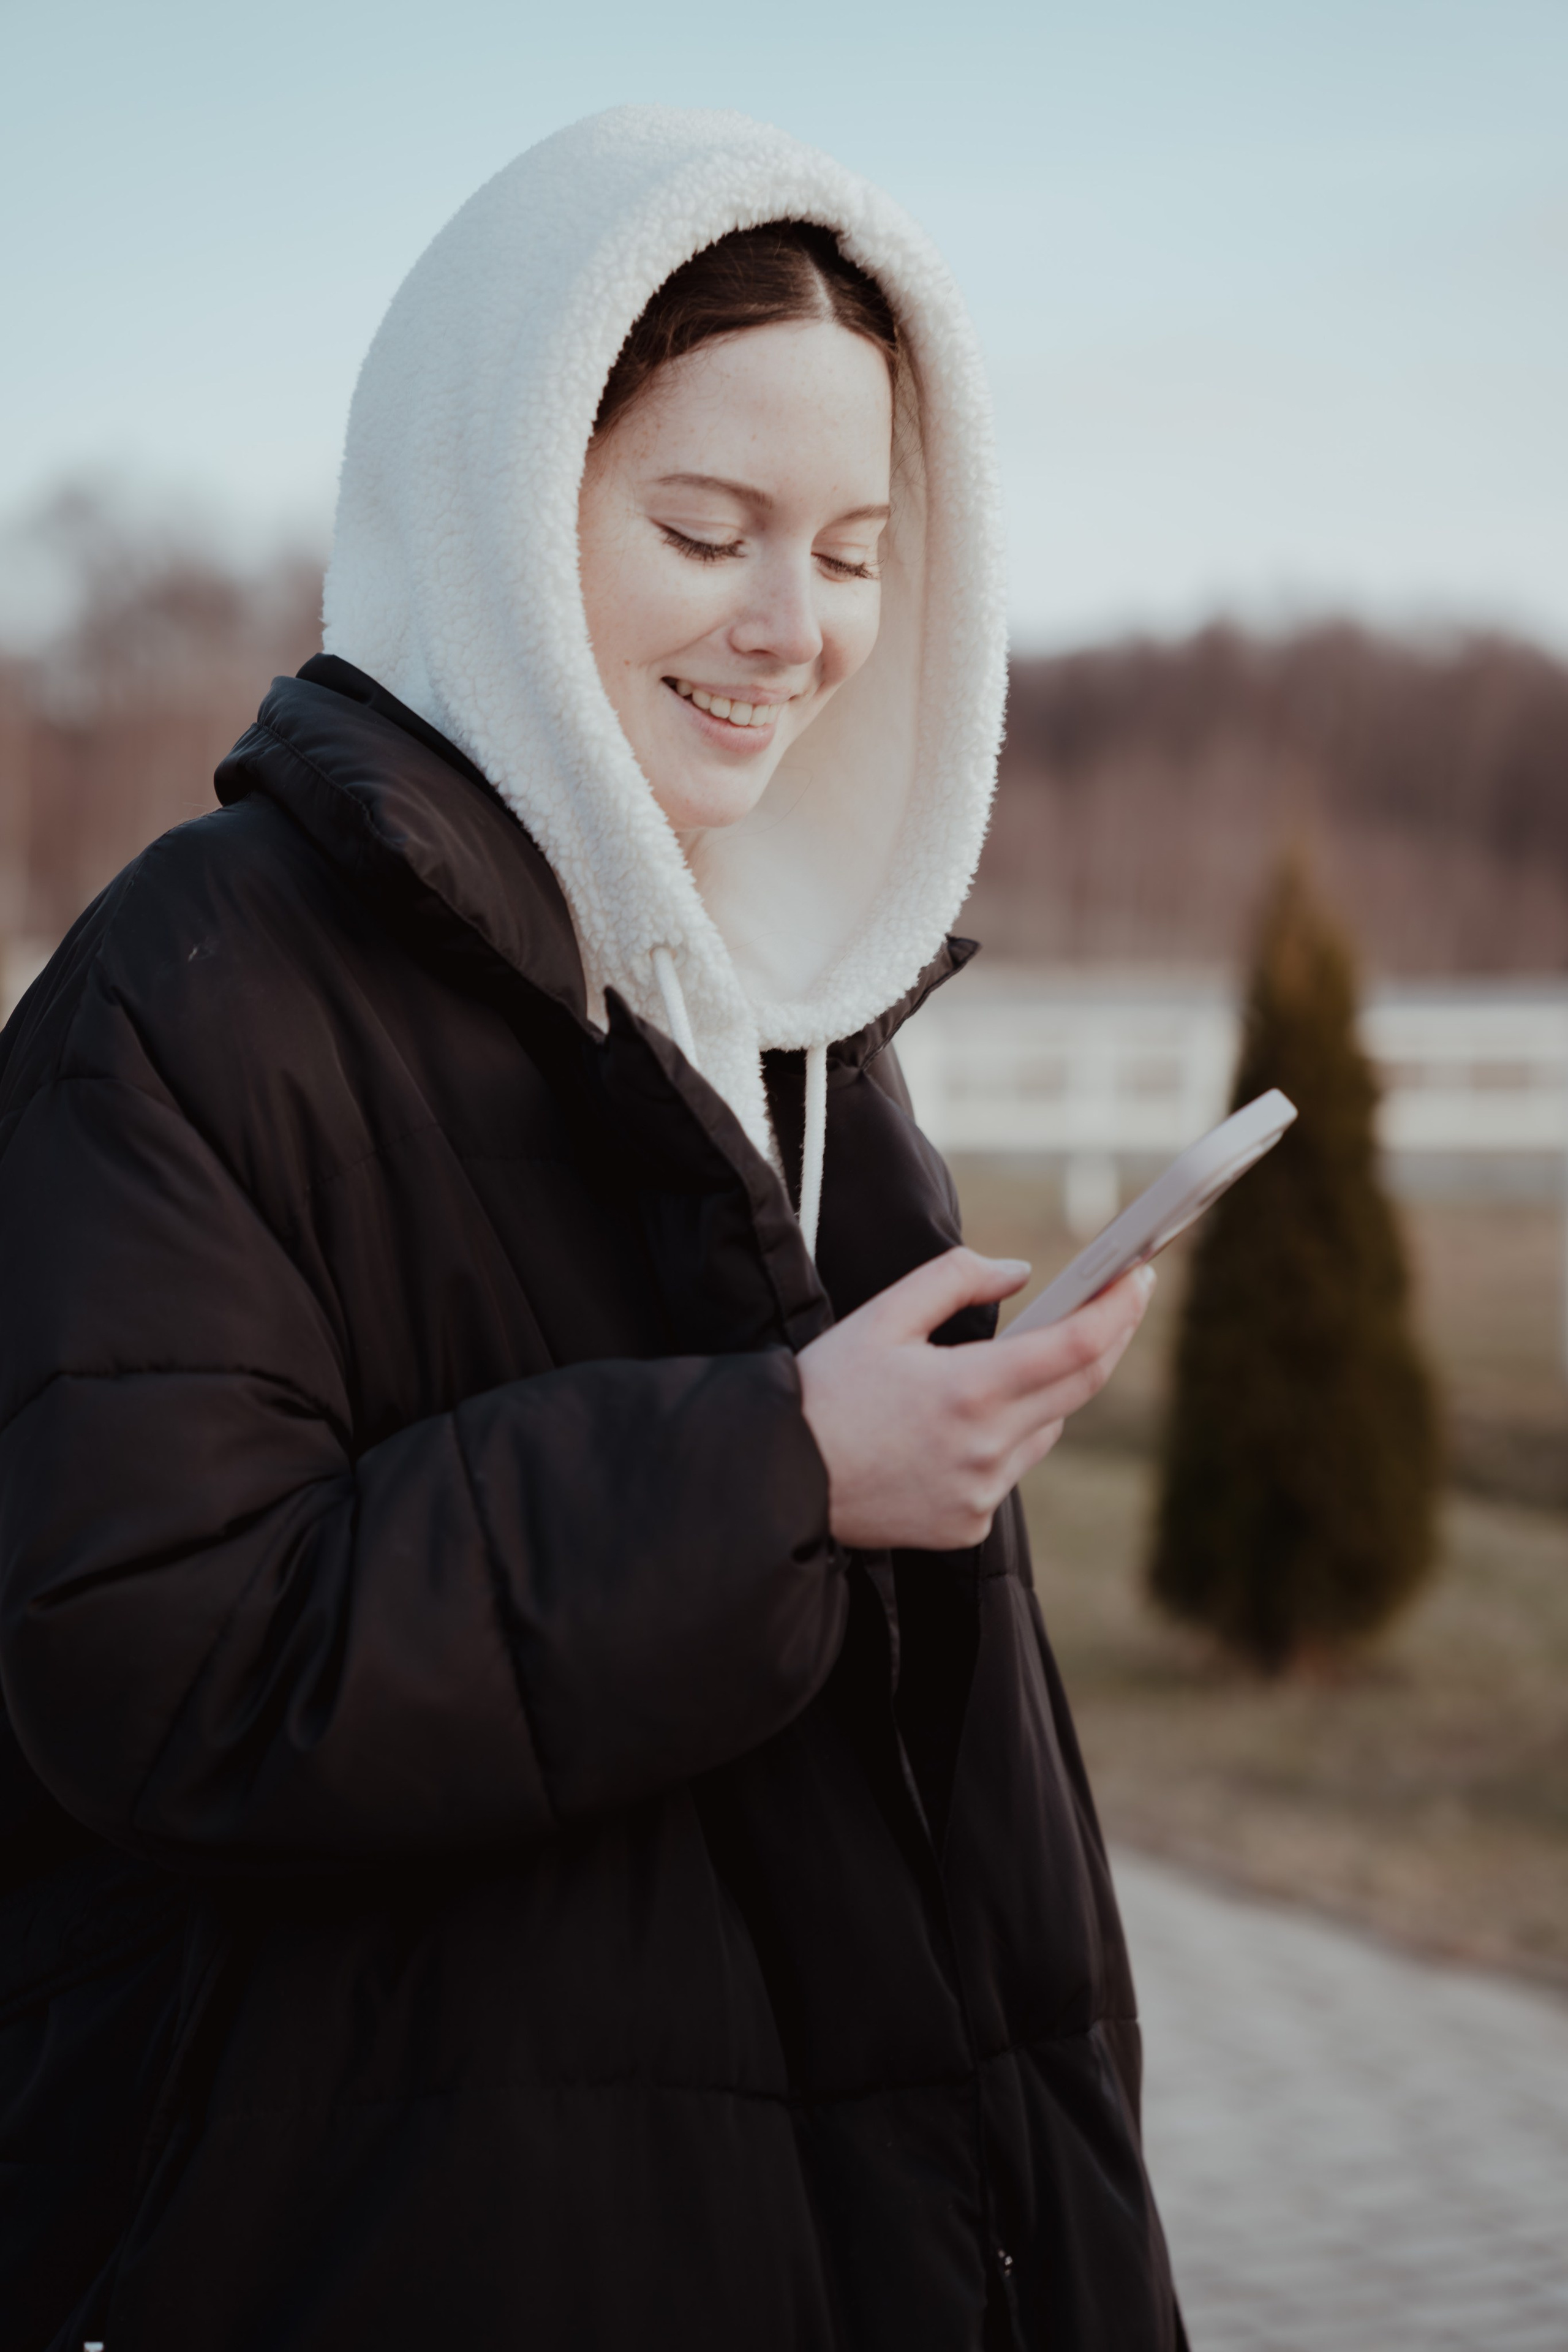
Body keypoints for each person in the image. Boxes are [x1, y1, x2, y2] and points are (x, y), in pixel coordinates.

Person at [0, 108, 1185, 2351]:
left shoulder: (796, 1015)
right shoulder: (196, 987)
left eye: (853, 550)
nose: (793, 627)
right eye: (706, 528)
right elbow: (156, 1665)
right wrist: (780, 1472)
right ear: (501, 498)